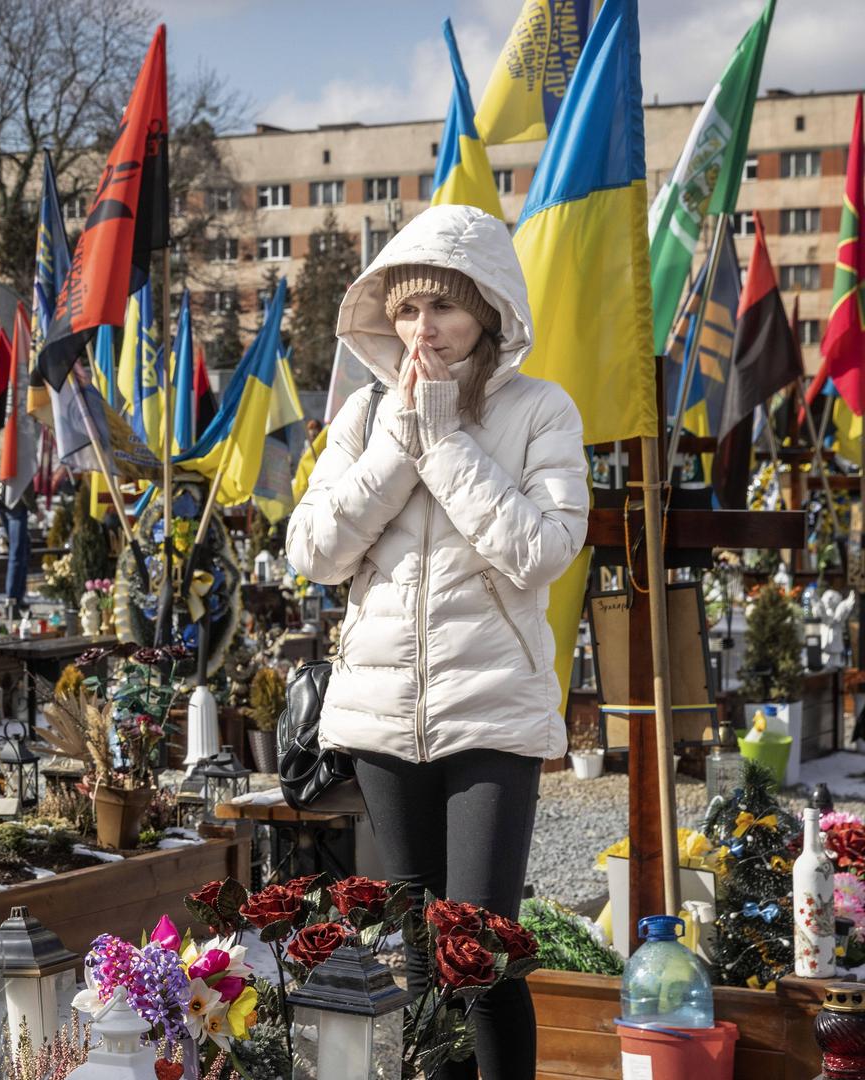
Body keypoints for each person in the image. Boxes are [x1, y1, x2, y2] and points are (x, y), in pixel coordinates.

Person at [286, 204, 588, 1080]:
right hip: (382, 716)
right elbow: (313, 551)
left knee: (483, 951)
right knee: (418, 956)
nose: (424, 328)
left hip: (493, 707)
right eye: (409, 309)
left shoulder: (540, 411)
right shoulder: (363, 415)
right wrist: (397, 445)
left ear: (487, 311)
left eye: (445, 308)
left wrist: (447, 439)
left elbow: (542, 550)